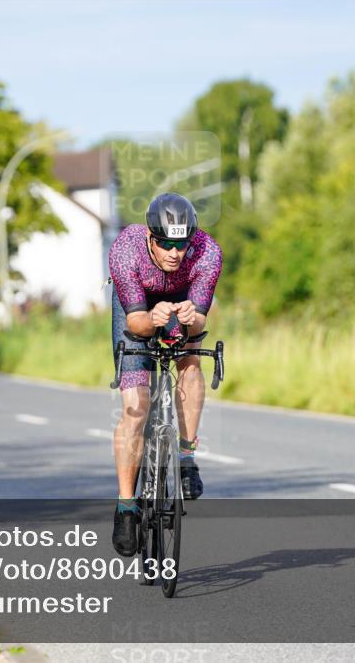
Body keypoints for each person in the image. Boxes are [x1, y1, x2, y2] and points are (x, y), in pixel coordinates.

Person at [107, 192, 222, 556]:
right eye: (167, 244)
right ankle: (127, 506)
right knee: (136, 407)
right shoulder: (126, 249)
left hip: (184, 302)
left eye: (182, 244)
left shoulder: (207, 252)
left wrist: (188, 321)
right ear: (150, 238)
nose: (176, 252)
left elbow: (201, 320)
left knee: (191, 358)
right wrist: (152, 319)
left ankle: (186, 457)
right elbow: (136, 322)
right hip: (138, 308)